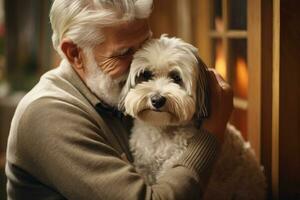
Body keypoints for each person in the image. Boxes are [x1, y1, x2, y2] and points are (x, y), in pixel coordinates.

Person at [5, 0, 233, 199]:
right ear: (74, 53)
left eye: (145, 43)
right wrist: (212, 134)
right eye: (124, 53)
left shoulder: (109, 92)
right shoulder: (48, 116)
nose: (139, 62)